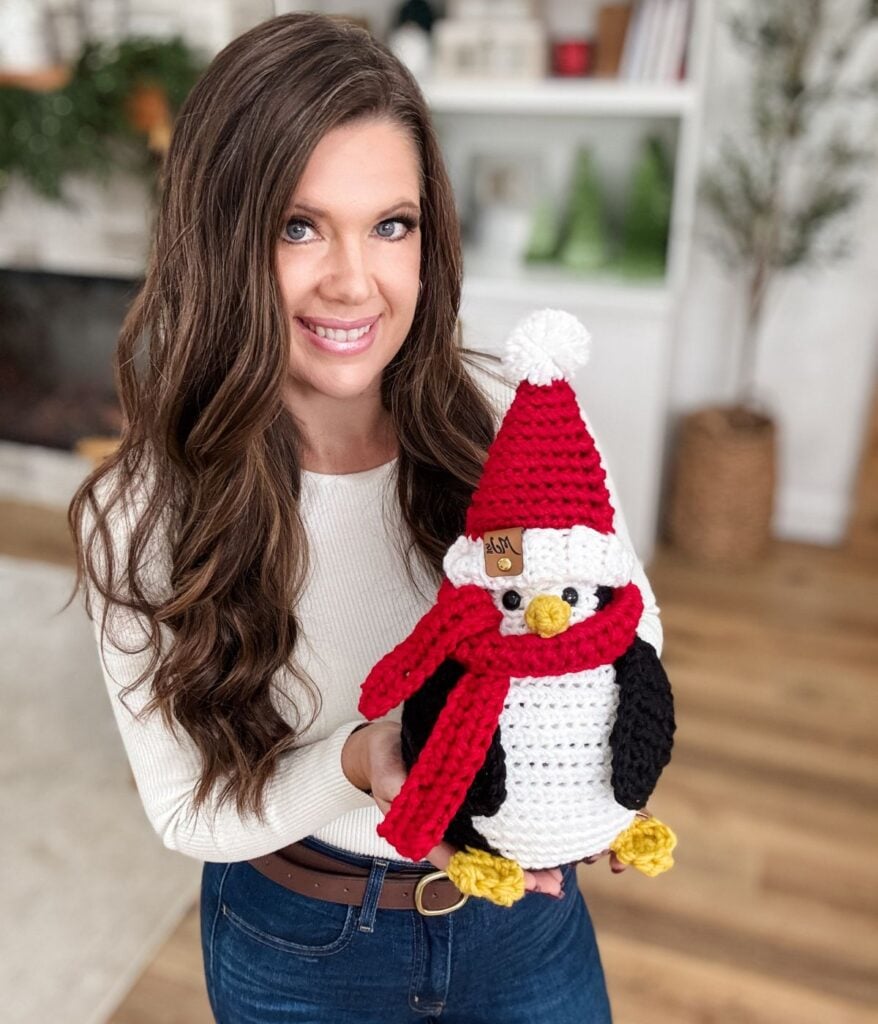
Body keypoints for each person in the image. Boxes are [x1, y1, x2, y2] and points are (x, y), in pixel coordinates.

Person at [67, 12, 663, 1023]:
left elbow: (628, 620)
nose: (353, 281)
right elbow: (184, 810)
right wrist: (358, 760)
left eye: (391, 225)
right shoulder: (139, 514)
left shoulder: (510, 423)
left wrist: (602, 758)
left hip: (520, 920)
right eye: (298, 226)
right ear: (217, 240)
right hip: (299, 944)